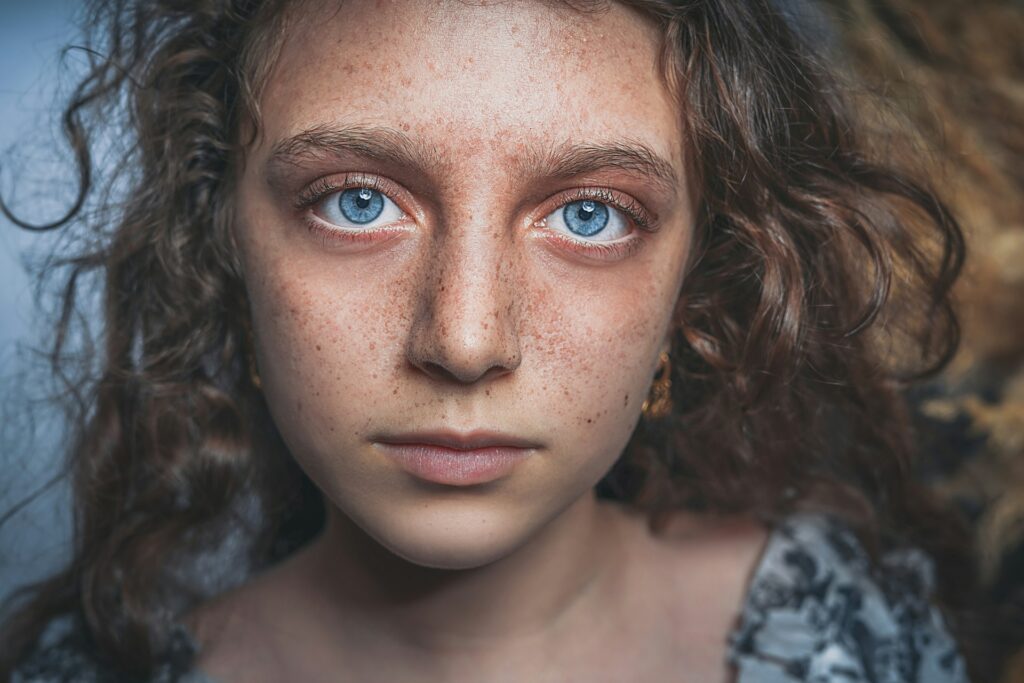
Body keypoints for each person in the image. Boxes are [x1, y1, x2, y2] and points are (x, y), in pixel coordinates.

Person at [0, 0, 983, 681]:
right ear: (225, 248)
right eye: (357, 201)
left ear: (697, 281)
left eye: (590, 216)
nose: (466, 340)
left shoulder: (847, 634)